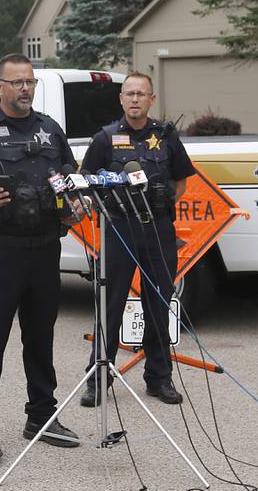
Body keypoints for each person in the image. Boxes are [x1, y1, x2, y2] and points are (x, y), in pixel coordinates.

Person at [0, 53, 86, 463]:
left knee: (40, 339)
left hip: (45, 249)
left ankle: (41, 417)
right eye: (17, 83)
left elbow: (68, 180)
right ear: (0, 87)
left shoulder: (50, 129)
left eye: (30, 82)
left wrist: (75, 206)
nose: (25, 89)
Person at [79, 71, 195, 408]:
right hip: (119, 229)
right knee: (110, 306)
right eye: (129, 93)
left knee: (158, 305)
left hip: (157, 229)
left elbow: (181, 182)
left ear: (151, 99)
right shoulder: (105, 138)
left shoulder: (166, 136)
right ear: (121, 99)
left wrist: (159, 203)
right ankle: (97, 380)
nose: (134, 99)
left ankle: (159, 379)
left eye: (141, 94)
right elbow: (87, 177)